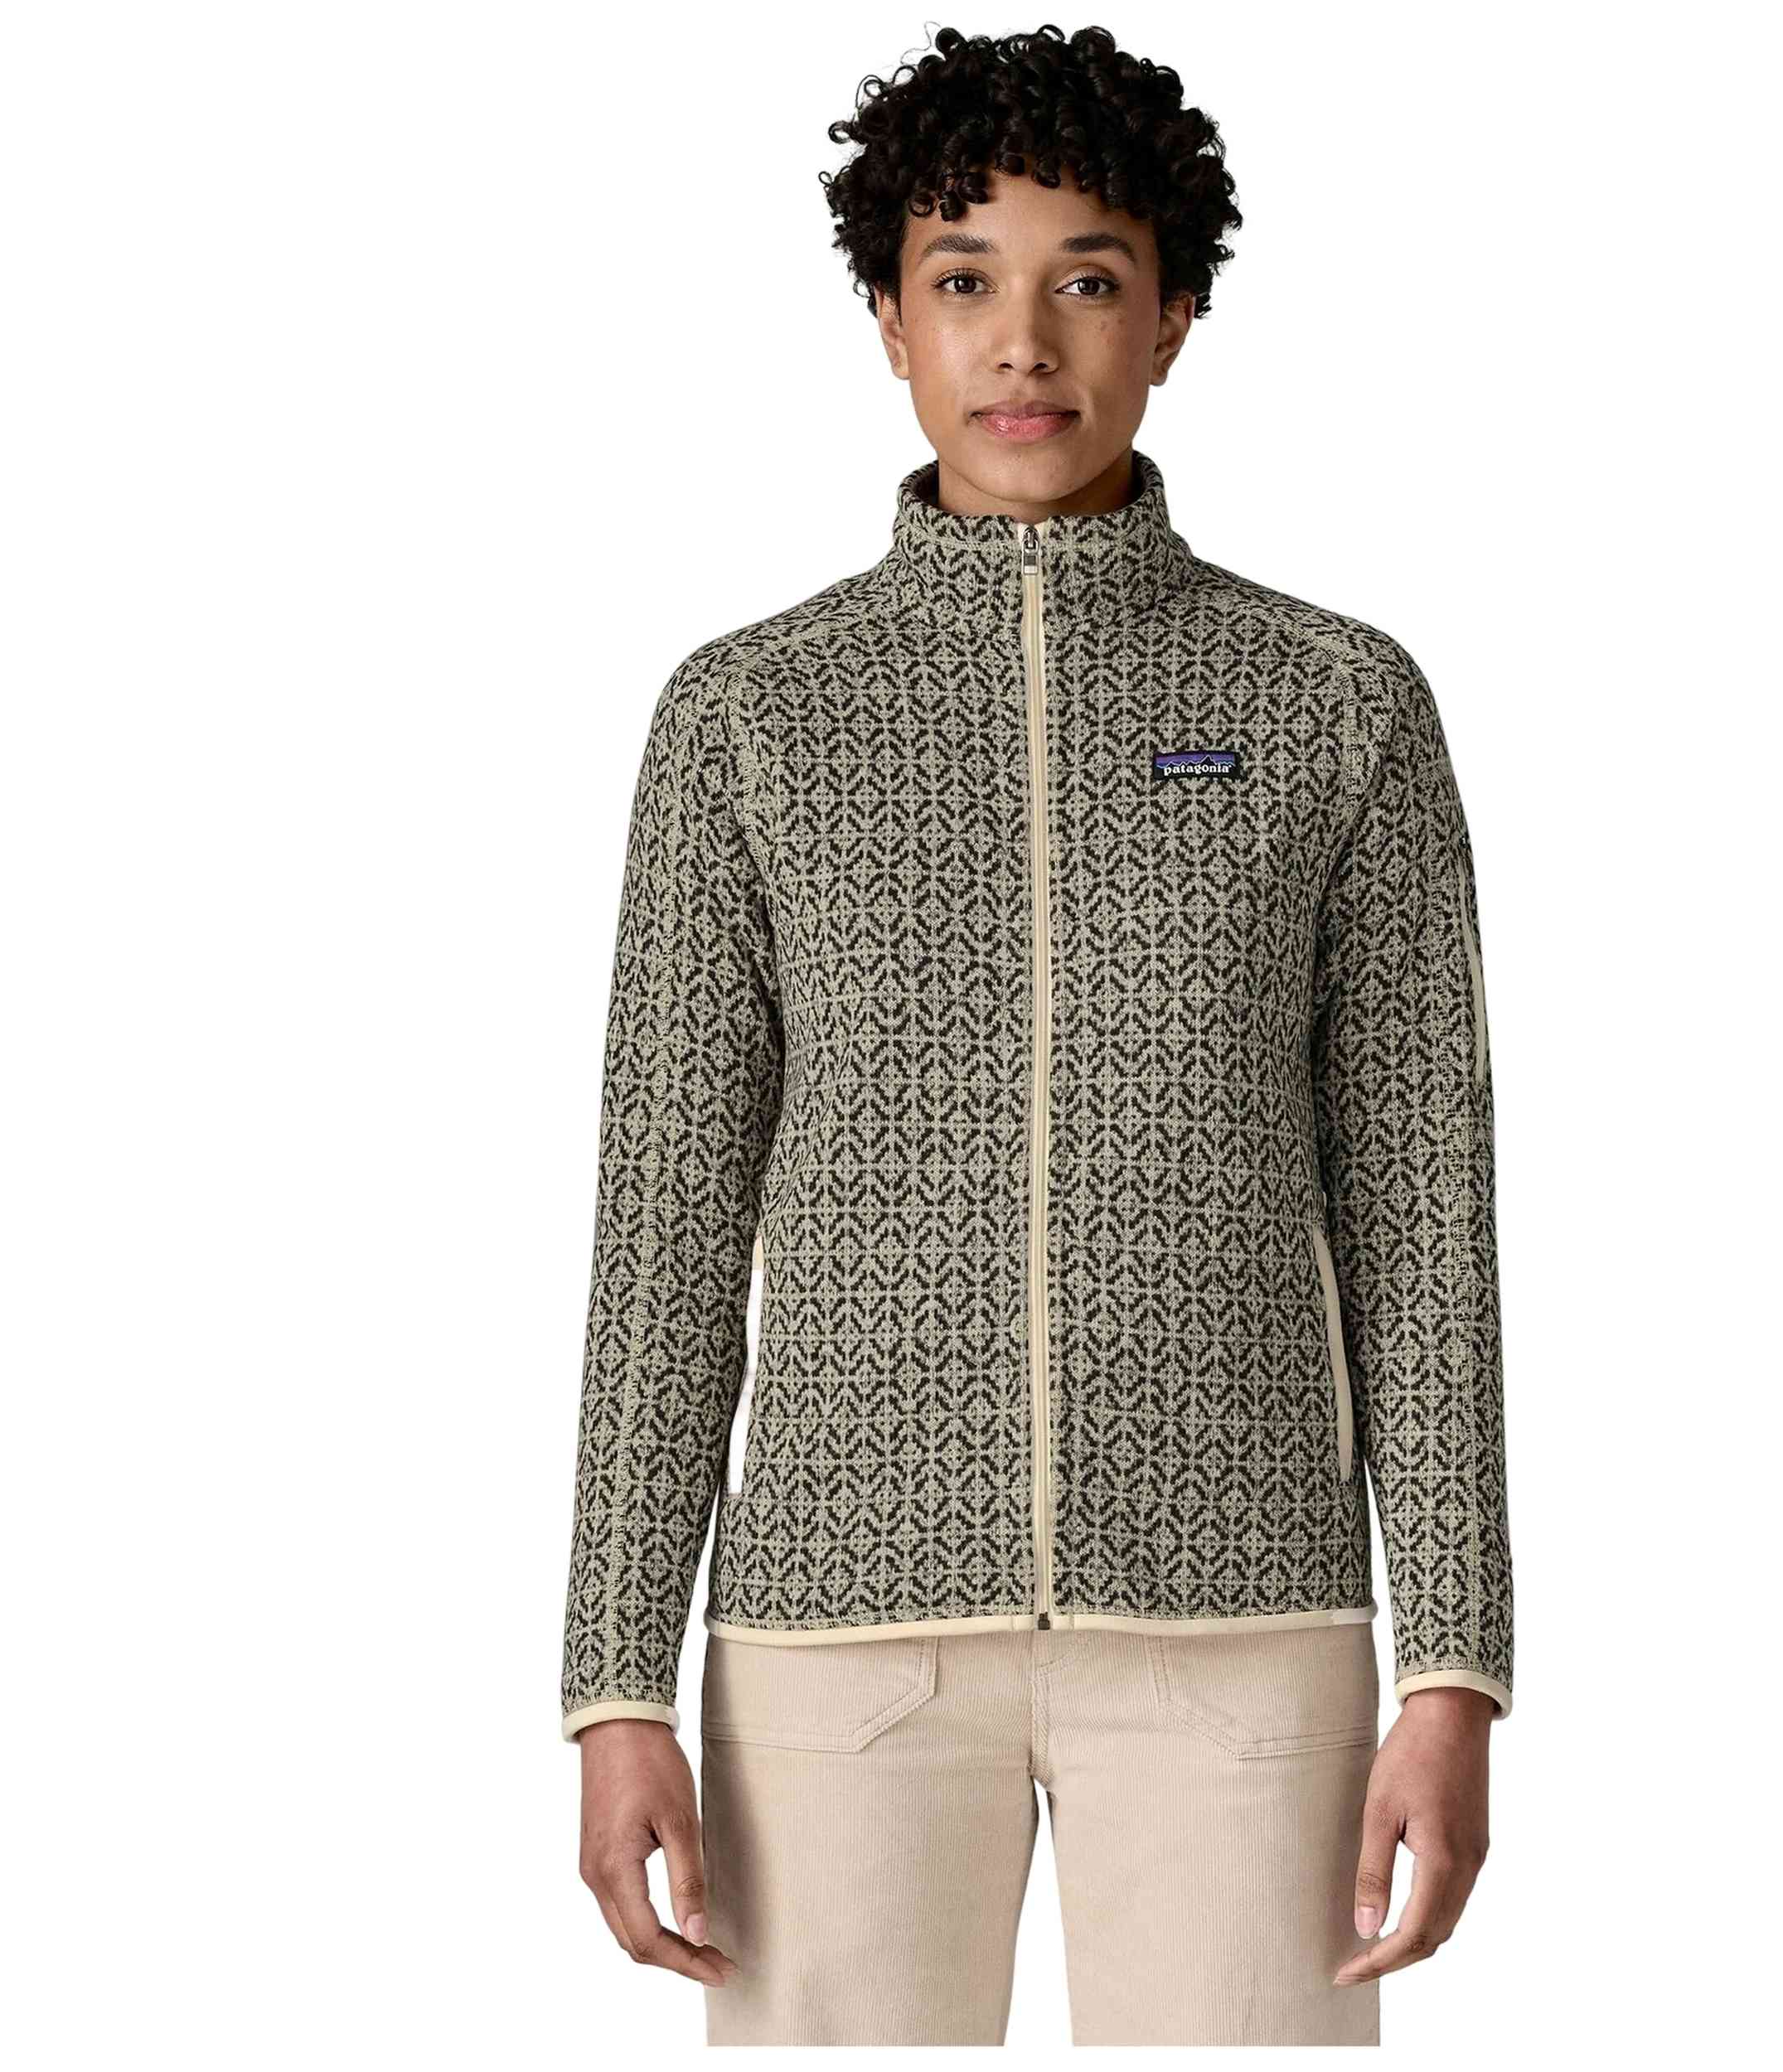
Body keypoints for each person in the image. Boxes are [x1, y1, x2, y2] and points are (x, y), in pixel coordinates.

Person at [559, 22, 1514, 2046]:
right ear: (887, 321)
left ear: (1170, 315)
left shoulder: (1335, 702)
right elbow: (664, 1222)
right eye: (960, 278)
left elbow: (1424, 1211)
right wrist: (616, 1678)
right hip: (836, 1633)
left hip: (1242, 1625)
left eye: (1085, 277)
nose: (1021, 341)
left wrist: (1453, 1665)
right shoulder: (746, 716)